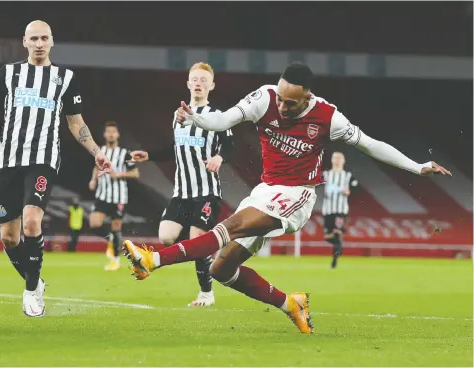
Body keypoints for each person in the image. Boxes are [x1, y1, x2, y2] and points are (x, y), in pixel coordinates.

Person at [123, 62, 452, 334]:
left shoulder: (327, 118)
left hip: (297, 196)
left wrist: (417, 166)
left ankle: (154, 260)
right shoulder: (264, 99)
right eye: (280, 98)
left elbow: (370, 144)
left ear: (307, 97)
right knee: (222, 270)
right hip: (265, 191)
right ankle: (289, 303)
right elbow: (223, 120)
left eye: (289, 102)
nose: (281, 106)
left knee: (232, 226)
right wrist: (198, 118)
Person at [0, 20, 112, 317]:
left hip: (43, 160)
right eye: (34, 38)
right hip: (8, 162)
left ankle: (31, 292)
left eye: (44, 38)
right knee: (8, 237)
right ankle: (35, 280)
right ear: (25, 42)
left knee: (32, 222)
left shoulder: (65, 78)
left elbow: (75, 122)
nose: (40, 43)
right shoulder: (8, 73)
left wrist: (96, 151)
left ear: (52, 42)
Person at [129, 62, 233, 307]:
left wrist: (219, 157)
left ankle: (206, 293)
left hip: (207, 192)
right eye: (194, 79)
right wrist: (150, 156)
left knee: (197, 237)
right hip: (182, 193)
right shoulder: (178, 117)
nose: (198, 83)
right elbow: (175, 149)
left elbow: (229, 146)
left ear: (212, 85)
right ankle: (202, 251)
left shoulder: (217, 116)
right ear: (187, 83)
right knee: (166, 237)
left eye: (203, 80)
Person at [88, 121, 140, 271]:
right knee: (94, 223)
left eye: (113, 132)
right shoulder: (100, 151)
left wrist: (119, 174)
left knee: (116, 228)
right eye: (108, 131)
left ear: (117, 134)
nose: (111, 134)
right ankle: (111, 239)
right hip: (102, 194)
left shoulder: (125, 154)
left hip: (118, 197)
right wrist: (93, 179)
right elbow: (96, 166)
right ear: (105, 135)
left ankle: (115, 260)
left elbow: (135, 173)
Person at [322, 152, 358, 268]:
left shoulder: (347, 176)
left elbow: (355, 184)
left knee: (337, 233)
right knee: (328, 237)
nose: (337, 160)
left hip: (341, 210)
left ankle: (334, 261)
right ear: (332, 160)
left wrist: (349, 190)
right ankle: (339, 247)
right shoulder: (326, 174)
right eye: (335, 158)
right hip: (328, 210)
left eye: (339, 158)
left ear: (343, 161)